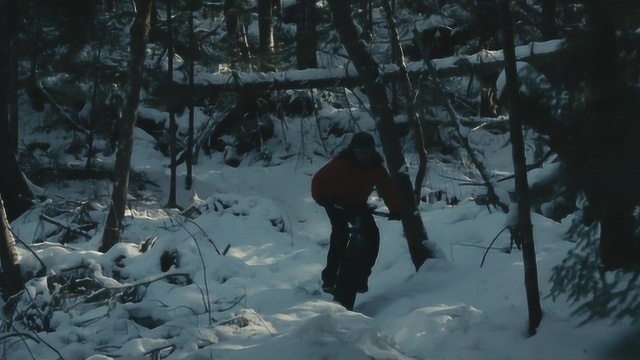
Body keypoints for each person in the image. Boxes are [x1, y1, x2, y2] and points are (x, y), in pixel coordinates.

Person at [311, 132, 403, 295]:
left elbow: (387, 190)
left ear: (372, 151)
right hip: (336, 204)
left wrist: (395, 209)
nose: (363, 156)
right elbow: (318, 180)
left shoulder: (376, 168)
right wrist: (323, 200)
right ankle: (329, 279)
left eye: (366, 152)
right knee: (340, 235)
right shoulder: (341, 163)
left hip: (357, 206)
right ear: (353, 151)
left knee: (372, 237)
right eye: (360, 152)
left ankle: (362, 277)